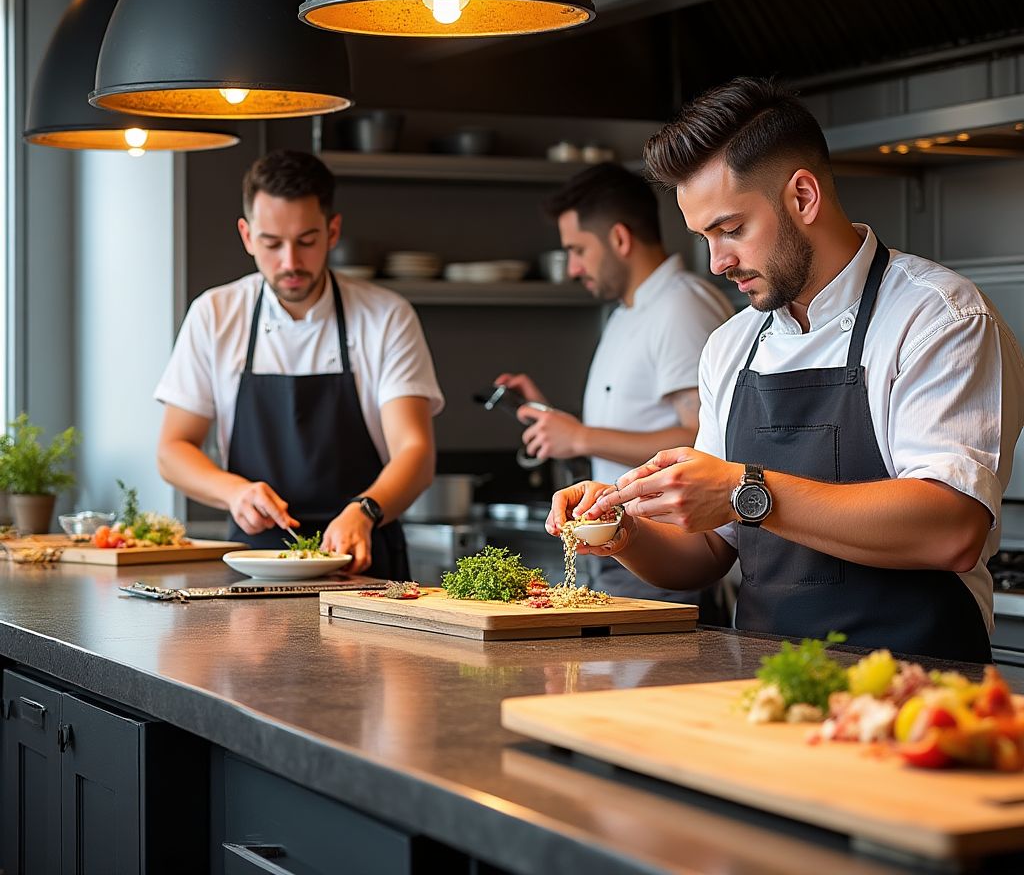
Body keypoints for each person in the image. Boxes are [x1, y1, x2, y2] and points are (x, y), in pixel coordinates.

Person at [549, 77, 1024, 663]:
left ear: (803, 196)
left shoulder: (938, 319)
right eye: (704, 237)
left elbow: (950, 528)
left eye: (730, 230)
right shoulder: (731, 346)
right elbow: (707, 553)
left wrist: (744, 490)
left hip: (914, 692)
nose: (718, 261)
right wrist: (626, 533)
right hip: (766, 690)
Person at [155, 149, 443, 577]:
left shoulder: (386, 316)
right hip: (253, 562)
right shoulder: (215, 314)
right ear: (247, 235)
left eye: (306, 241)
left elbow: (415, 451)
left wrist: (364, 509)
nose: (290, 262)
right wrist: (234, 493)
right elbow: (172, 450)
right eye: (272, 243)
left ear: (332, 231)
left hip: (364, 559)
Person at [496, 163, 733, 602]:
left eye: (578, 250)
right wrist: (558, 423)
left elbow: (699, 444)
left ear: (620, 239)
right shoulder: (627, 313)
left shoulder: (681, 307)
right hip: (623, 548)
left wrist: (582, 437)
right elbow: (633, 422)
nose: (571, 268)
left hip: (671, 554)